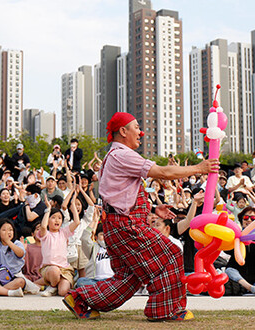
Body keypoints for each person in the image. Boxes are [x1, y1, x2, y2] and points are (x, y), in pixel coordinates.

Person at [63, 112, 218, 321]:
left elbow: (121, 193)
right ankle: (165, 310)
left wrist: (153, 209)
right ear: (123, 131)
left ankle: (81, 298)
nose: (141, 132)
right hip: (126, 225)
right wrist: (199, 168)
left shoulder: (113, 156)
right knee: (171, 253)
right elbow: (163, 173)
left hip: (116, 224)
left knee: (129, 277)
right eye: (136, 127)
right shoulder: (123, 155)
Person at [37, 195, 80, 297]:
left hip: (64, 269)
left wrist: (73, 205)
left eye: (59, 218)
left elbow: (77, 222)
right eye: (53, 218)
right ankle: (52, 285)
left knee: (63, 292)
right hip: (49, 269)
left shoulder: (64, 232)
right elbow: (43, 226)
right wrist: (48, 209)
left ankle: (54, 286)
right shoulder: (45, 234)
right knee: (54, 270)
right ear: (48, 220)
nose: (57, 220)